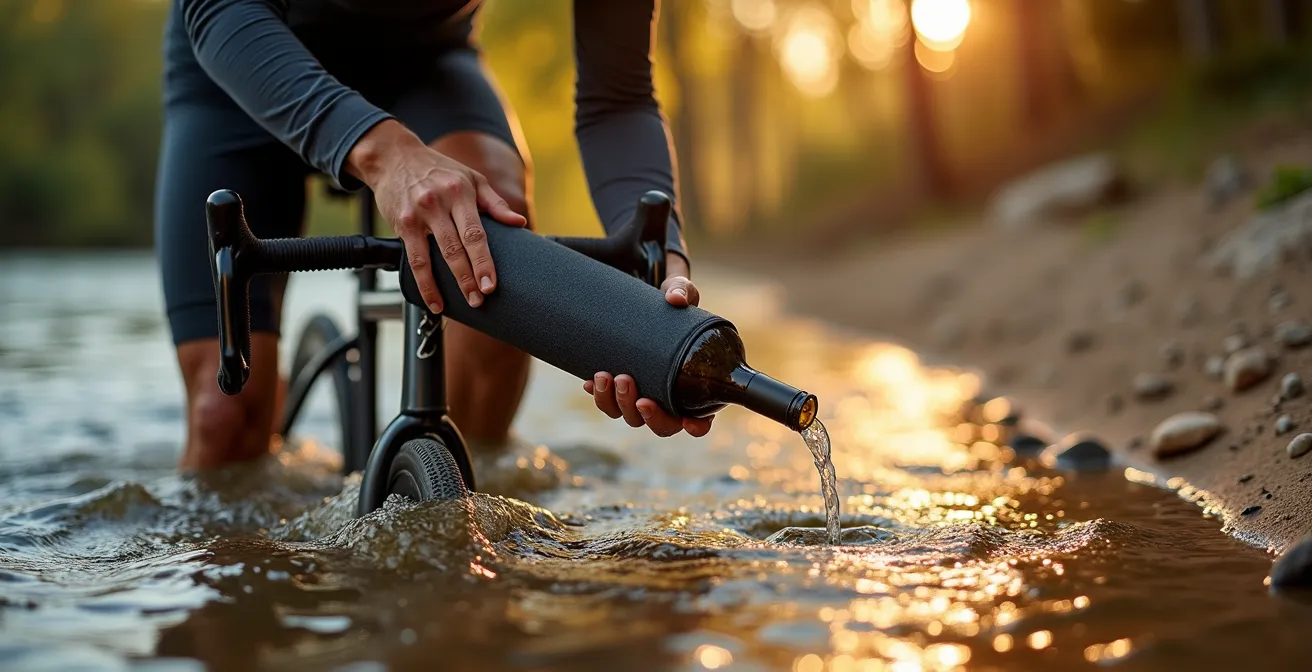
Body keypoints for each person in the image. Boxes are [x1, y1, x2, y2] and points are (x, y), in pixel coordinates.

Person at [156, 0, 713, 470]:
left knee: (491, 238)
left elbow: (618, 100)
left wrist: (658, 265)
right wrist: (384, 152)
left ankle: (465, 526)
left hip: (426, 66)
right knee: (222, 414)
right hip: (243, 57)